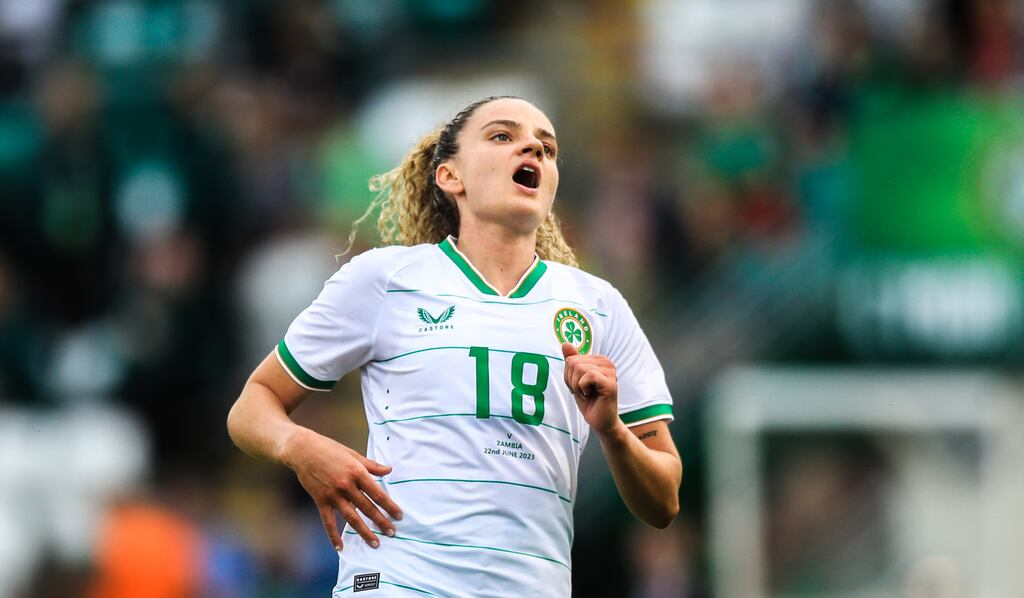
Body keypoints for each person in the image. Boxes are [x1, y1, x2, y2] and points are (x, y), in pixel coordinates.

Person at [227, 96, 681, 596]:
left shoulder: (598, 306)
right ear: (450, 177)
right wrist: (300, 446)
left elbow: (663, 501)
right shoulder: (386, 279)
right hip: (398, 582)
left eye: (548, 148)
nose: (533, 147)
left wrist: (613, 432)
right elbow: (252, 406)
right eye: (503, 136)